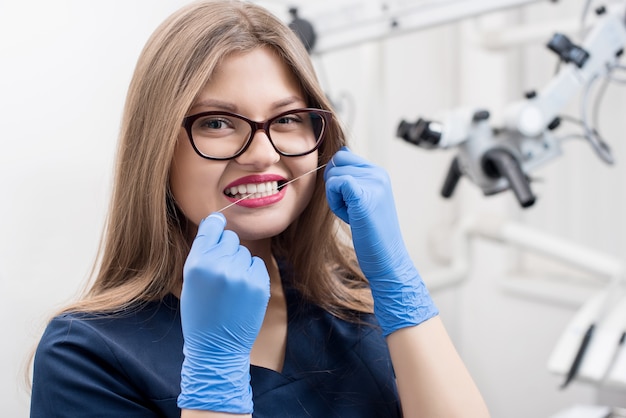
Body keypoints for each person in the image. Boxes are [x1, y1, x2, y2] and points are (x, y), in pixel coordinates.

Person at [29, 1, 491, 417]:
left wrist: (400, 286)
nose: (262, 154)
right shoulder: (84, 355)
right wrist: (215, 376)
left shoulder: (354, 298)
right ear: (156, 150)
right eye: (216, 122)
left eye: (287, 118)